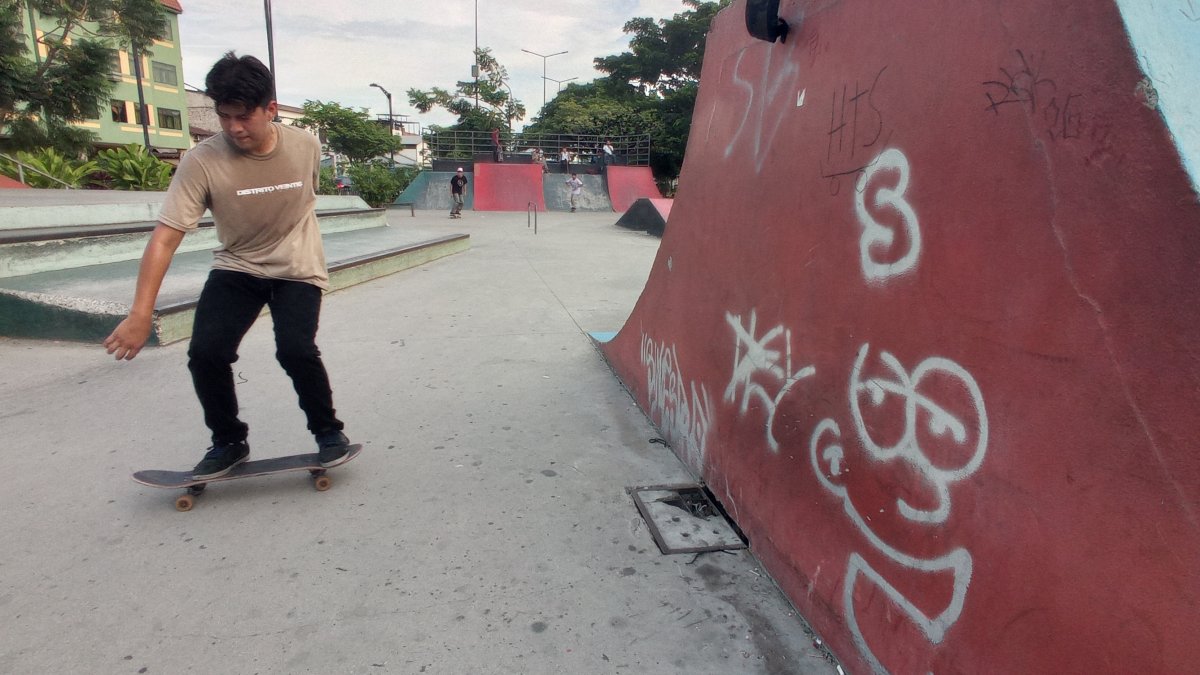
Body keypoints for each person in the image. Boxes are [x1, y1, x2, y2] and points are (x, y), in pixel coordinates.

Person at [102, 52, 352, 479]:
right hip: (238, 265)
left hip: (297, 266)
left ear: (270, 109)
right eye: (224, 117)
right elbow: (165, 237)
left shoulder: (305, 146)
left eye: (244, 117)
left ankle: (329, 433)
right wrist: (140, 312)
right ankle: (229, 441)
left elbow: (306, 196)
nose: (234, 128)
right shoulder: (201, 161)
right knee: (206, 353)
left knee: (295, 349)